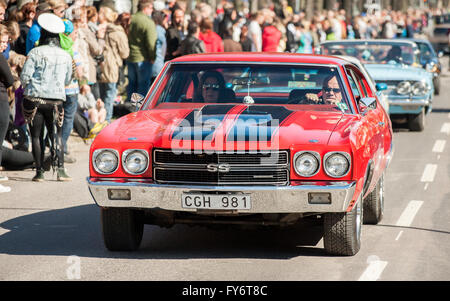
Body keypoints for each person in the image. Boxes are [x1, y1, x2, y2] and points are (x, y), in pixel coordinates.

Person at [20, 13, 73, 182]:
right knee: (56, 134)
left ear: (42, 34)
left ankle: (39, 172)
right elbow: (67, 80)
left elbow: (24, 77)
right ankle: (61, 170)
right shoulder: (66, 55)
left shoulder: (35, 52)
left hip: (35, 99)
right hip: (57, 100)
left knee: (36, 136)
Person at [98, 6, 129, 123]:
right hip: (112, 66)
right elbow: (125, 53)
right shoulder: (118, 32)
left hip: (101, 65)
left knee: (101, 95)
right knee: (110, 95)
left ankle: (100, 120)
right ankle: (106, 121)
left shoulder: (102, 29)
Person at [127, 0, 156, 102]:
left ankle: (129, 107)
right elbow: (151, 42)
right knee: (142, 86)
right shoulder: (148, 22)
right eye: (151, 8)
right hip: (143, 58)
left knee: (132, 84)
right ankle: (138, 109)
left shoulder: (131, 18)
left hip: (130, 56)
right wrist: (152, 57)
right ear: (146, 8)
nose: (152, 10)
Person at [0, 24, 15, 192]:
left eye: (6, 42)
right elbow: (10, 80)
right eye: (2, 42)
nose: (4, 45)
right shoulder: (0, 58)